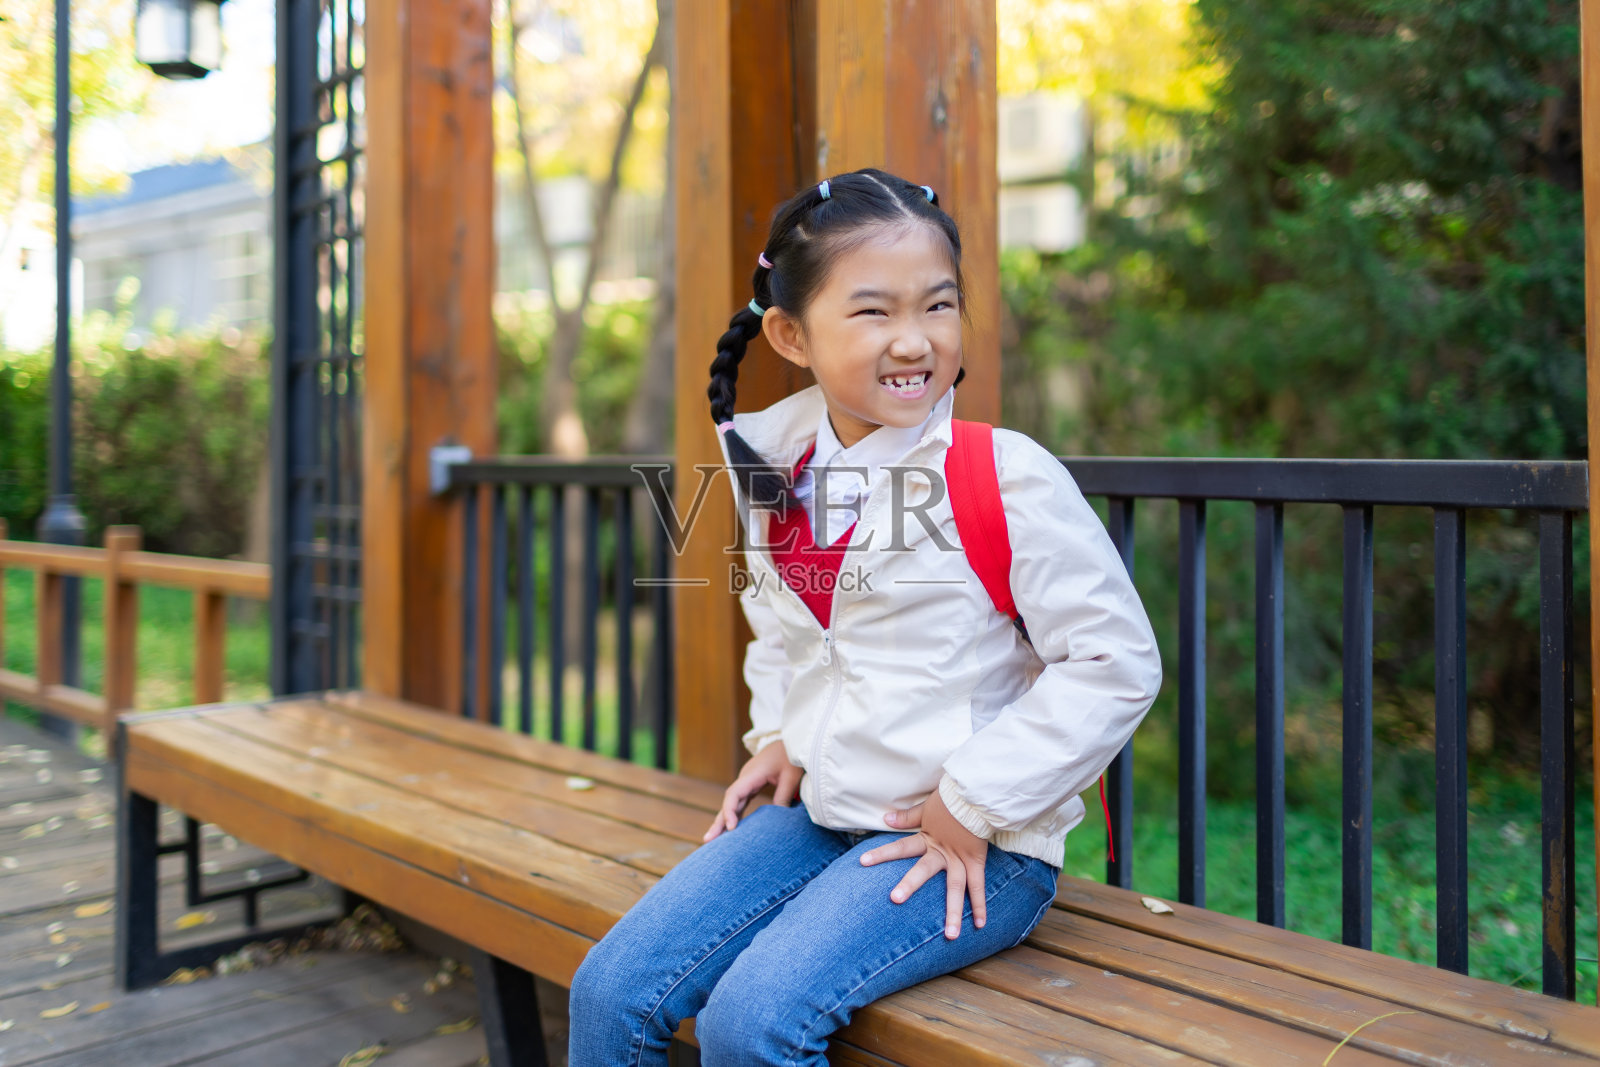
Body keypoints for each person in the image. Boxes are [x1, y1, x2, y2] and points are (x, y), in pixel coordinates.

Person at [567, 167, 1162, 1066]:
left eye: (938, 305)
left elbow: (1115, 660)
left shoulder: (1004, 476)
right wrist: (780, 735)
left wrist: (971, 801)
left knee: (751, 1025)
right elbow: (784, 628)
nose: (914, 340)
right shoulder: (776, 465)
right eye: (874, 311)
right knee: (611, 992)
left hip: (976, 837)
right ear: (791, 334)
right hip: (823, 806)